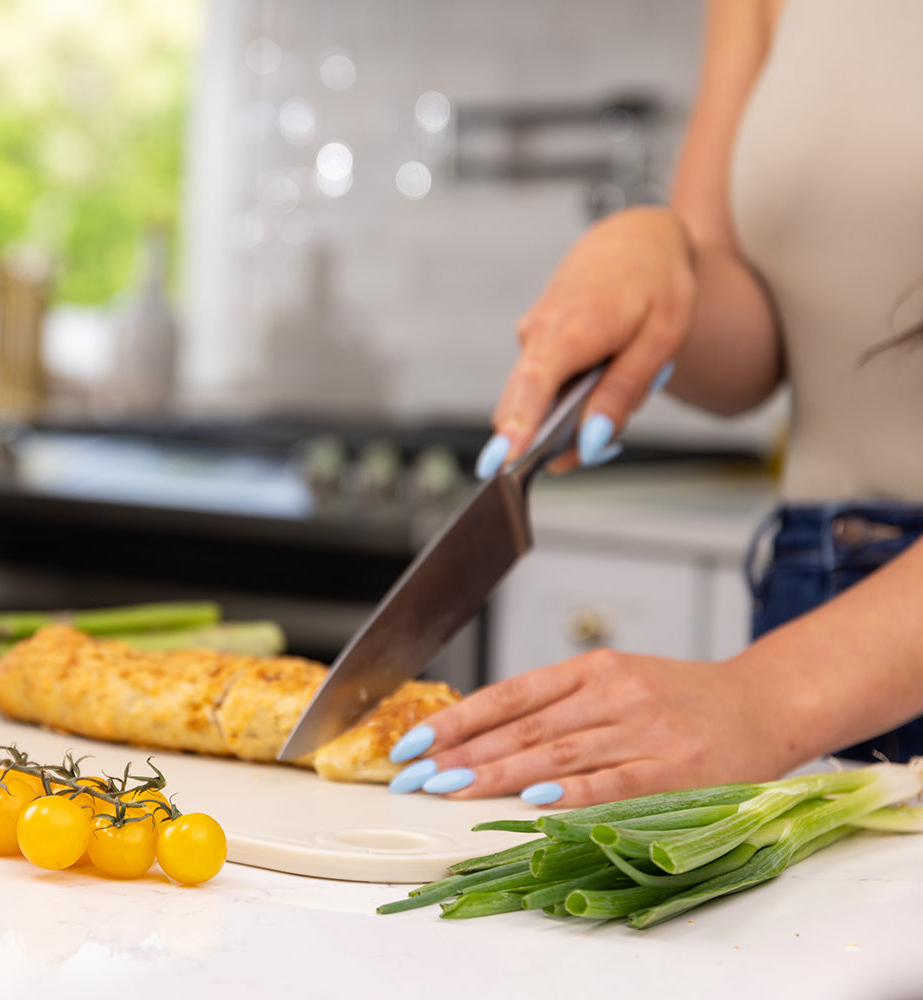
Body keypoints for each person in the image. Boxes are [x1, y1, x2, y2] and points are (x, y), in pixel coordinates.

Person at [386, 0, 923, 807]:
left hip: (814, 674)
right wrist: (657, 260)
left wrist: (767, 696)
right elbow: (757, 347)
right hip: (812, 598)